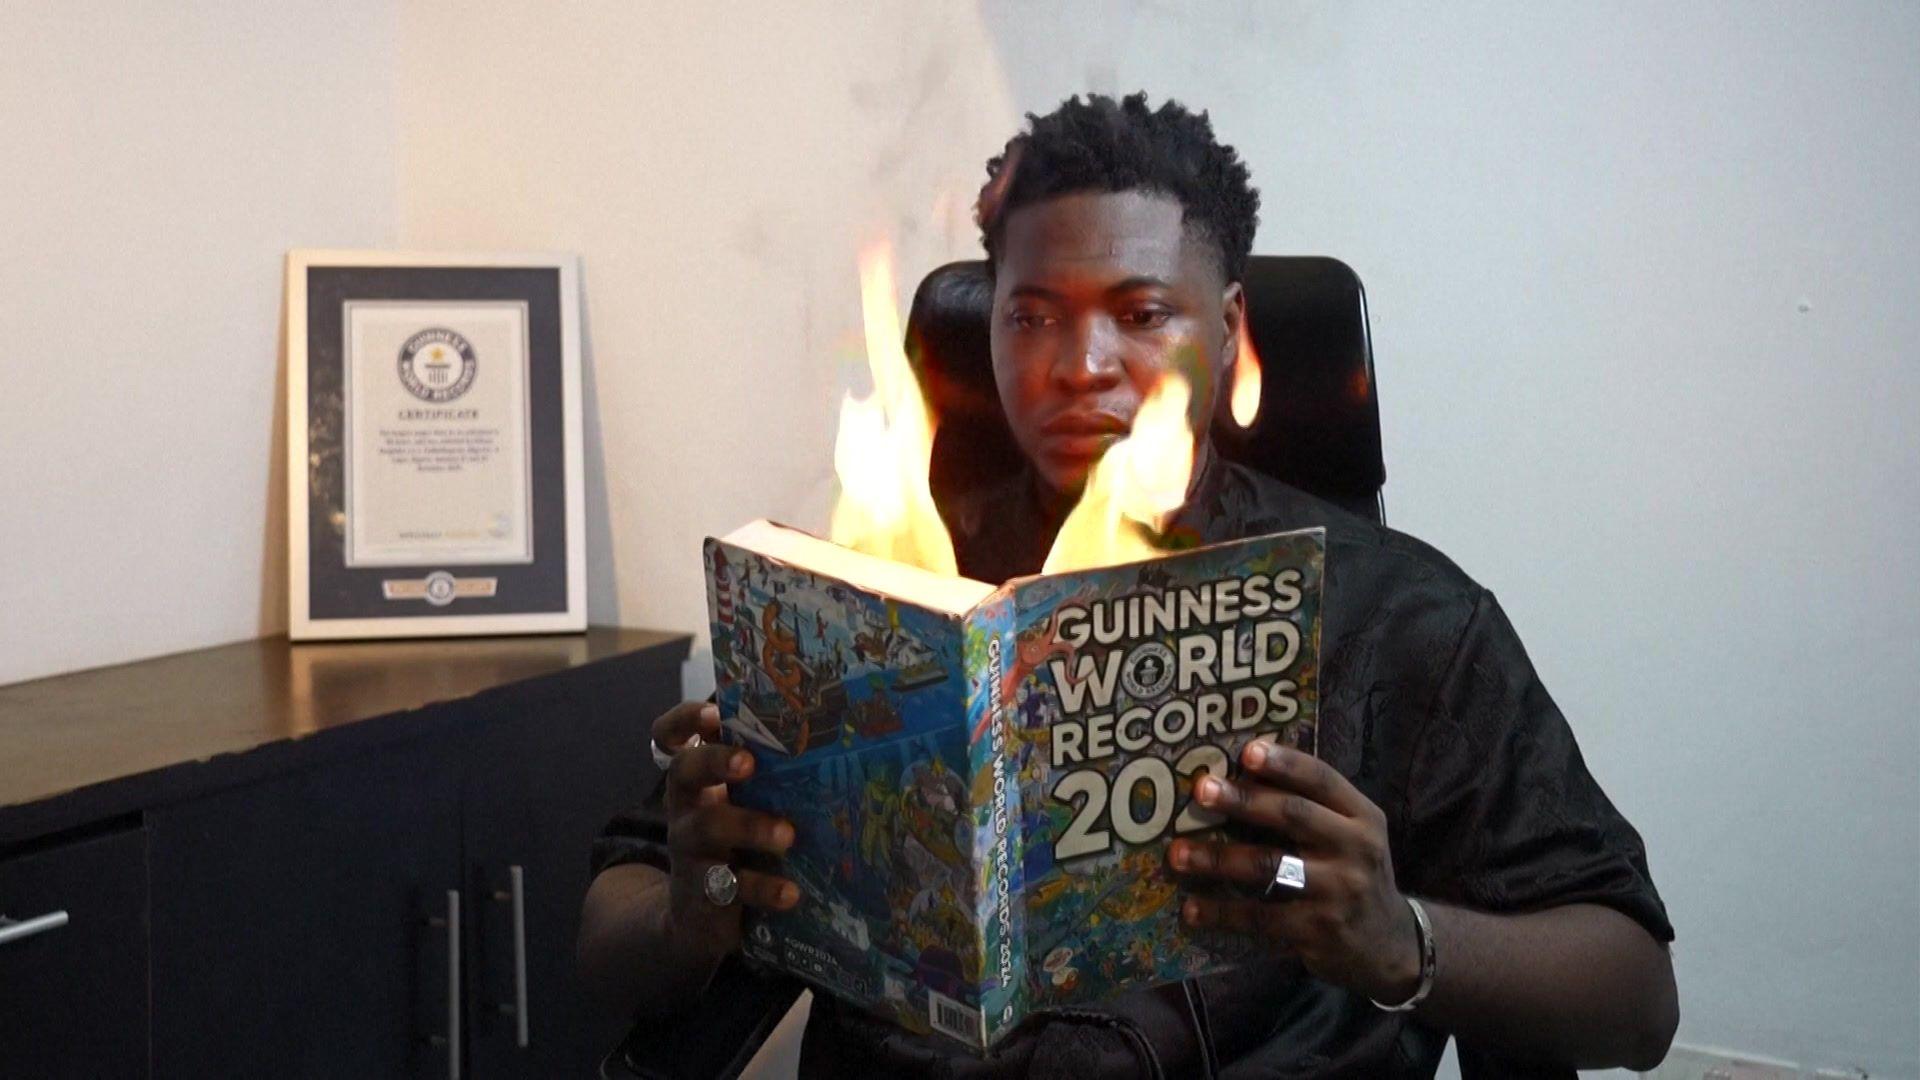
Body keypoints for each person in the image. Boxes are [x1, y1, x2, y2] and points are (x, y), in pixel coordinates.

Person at [579, 93, 1678, 1077]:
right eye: (1032, 314)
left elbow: (1635, 1004)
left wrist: (1402, 938)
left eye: (1143, 313)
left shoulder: (1400, 618)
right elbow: (609, 929)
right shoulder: (883, 597)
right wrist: (698, 900)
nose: (1079, 363)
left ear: (1232, 335)